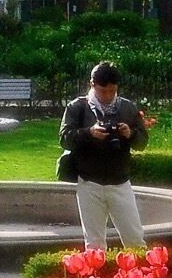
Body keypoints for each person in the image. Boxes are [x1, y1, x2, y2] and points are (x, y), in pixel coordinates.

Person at [60, 60, 150, 250]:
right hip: (89, 183)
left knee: (135, 240)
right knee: (94, 245)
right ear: (92, 85)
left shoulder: (127, 108)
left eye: (112, 91)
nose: (108, 96)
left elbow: (142, 142)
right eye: (103, 91)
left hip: (120, 183)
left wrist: (130, 134)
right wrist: (88, 133)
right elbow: (64, 139)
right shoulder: (77, 107)